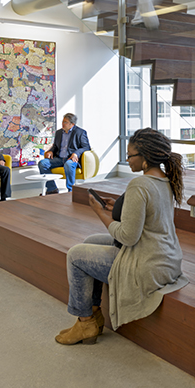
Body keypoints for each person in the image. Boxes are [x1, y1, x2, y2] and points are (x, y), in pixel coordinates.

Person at [55, 128, 187, 345]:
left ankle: (85, 322)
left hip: (147, 265)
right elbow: (148, 217)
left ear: (145, 157)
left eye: (130, 155)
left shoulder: (140, 184)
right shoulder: (164, 180)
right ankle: (94, 314)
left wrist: (100, 212)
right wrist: (118, 207)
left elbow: (127, 237)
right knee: (90, 242)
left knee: (75, 255)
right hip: (166, 258)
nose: (127, 160)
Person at [38, 113, 90, 194]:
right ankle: (52, 189)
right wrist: (51, 151)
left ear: (72, 124)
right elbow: (55, 146)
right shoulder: (59, 133)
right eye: (63, 121)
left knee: (68, 164)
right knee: (42, 163)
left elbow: (86, 147)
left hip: (70, 159)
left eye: (65, 122)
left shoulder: (80, 132)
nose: (63, 124)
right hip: (59, 158)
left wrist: (76, 153)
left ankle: (71, 191)